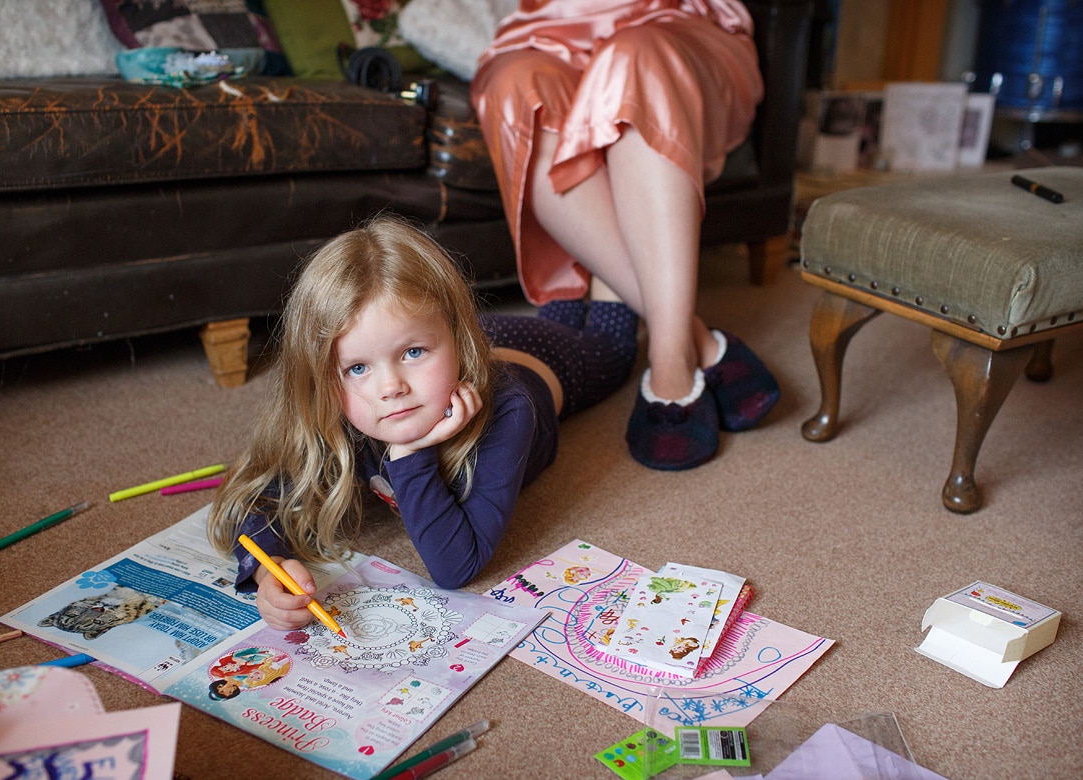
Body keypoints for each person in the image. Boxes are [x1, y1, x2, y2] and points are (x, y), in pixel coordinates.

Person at [207, 216, 639, 630]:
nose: (390, 387)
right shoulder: (340, 411)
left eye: (413, 354)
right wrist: (270, 571)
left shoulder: (511, 410)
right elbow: (254, 497)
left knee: (613, 349)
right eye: (357, 368)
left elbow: (455, 567)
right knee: (416, 334)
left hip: (543, 362)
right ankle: (558, 297)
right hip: (463, 338)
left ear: (457, 340)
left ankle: (593, 255)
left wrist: (410, 451)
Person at [470, 0, 781, 471]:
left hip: (678, 21)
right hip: (550, 27)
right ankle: (694, 336)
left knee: (636, 59)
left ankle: (672, 360)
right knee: (517, 89)